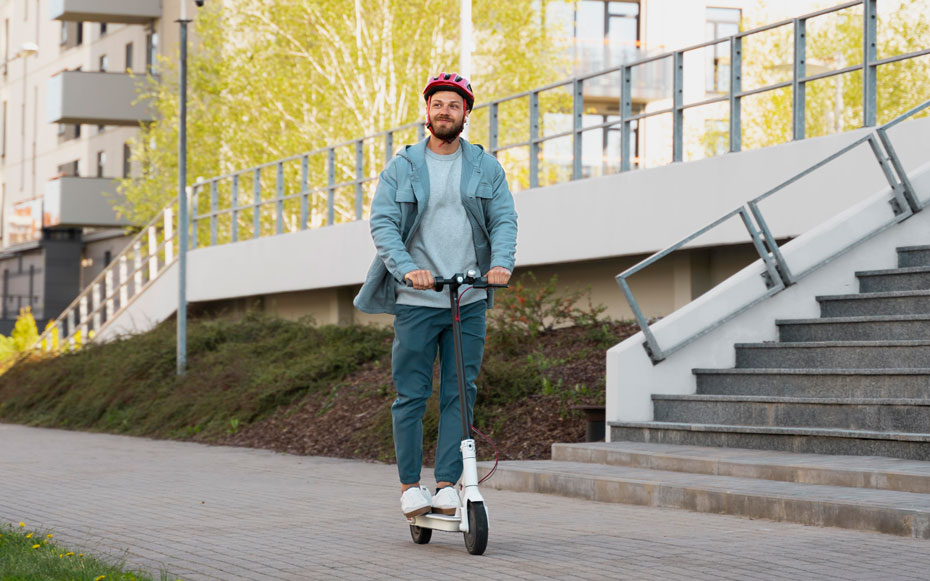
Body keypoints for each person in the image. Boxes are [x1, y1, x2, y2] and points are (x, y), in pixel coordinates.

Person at [354, 72, 518, 518]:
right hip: (417, 302)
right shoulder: (403, 166)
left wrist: (501, 264)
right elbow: (383, 224)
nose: (445, 111)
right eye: (438, 104)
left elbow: (504, 219)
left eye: (454, 105)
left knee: (460, 392)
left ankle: (447, 484)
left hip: (468, 299)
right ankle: (411, 485)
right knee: (411, 394)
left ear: (466, 114)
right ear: (427, 112)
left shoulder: (486, 167)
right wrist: (409, 271)